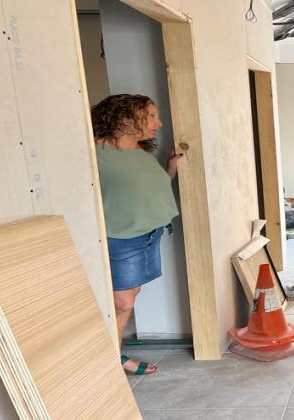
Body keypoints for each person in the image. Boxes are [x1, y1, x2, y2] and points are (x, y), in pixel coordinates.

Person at [91, 94, 182, 376]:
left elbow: (143, 190)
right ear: (125, 117)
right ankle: (111, 360)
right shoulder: (94, 152)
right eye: (152, 116)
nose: (159, 122)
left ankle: (112, 354)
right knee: (122, 301)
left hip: (149, 233)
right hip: (120, 236)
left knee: (132, 293)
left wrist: (169, 171)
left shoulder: (140, 151)